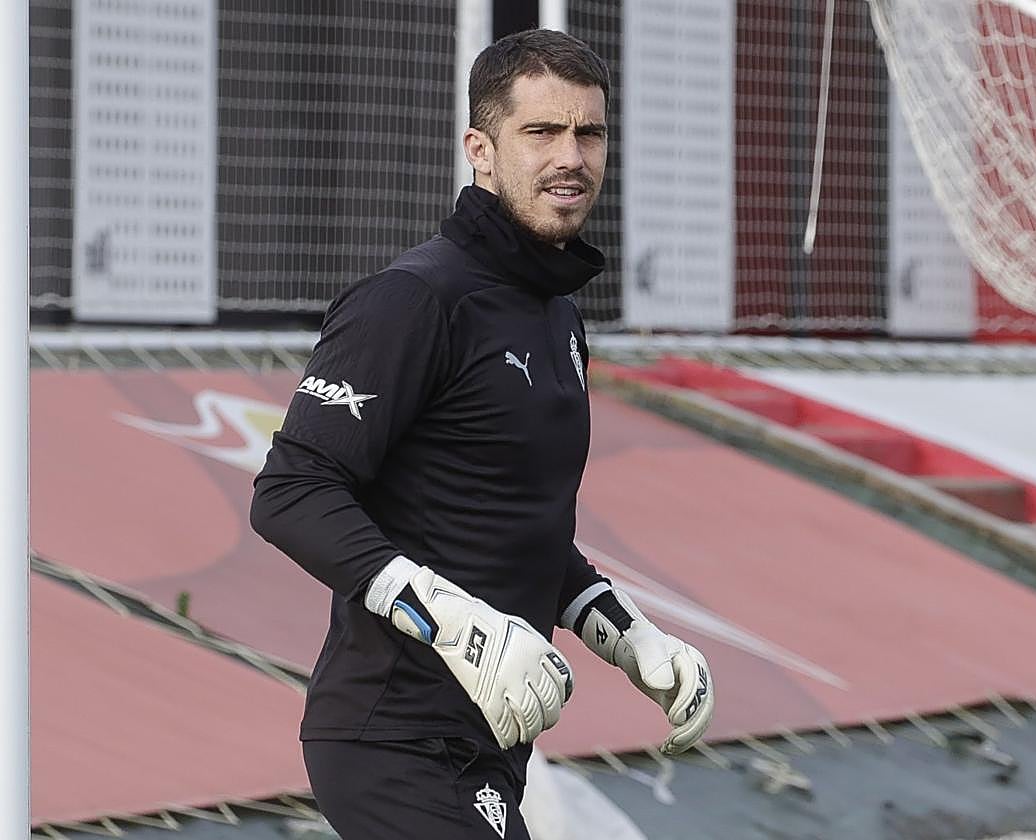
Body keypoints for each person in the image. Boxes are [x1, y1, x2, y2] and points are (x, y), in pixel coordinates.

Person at [250, 28, 714, 840]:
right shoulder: (414, 300)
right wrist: (452, 619)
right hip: (391, 735)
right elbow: (290, 493)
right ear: (482, 149)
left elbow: (508, 520)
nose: (570, 156)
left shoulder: (558, 314)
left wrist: (622, 629)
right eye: (541, 132)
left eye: (589, 132)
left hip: (490, 744)